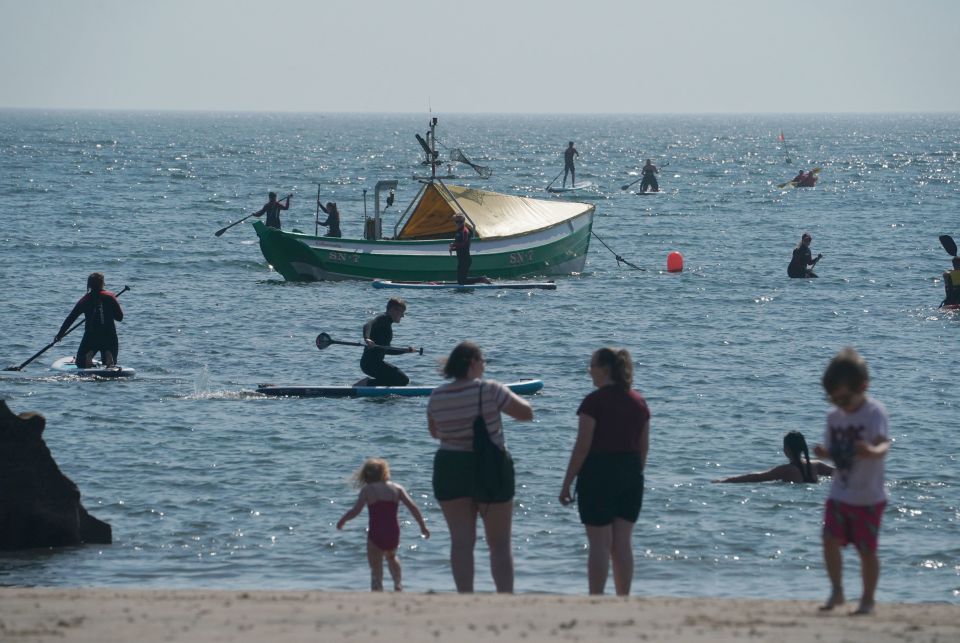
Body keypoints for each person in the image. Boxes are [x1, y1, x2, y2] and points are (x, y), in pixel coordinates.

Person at [426, 341, 534, 593]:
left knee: (461, 541)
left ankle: (465, 596)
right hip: (491, 467)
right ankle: (505, 596)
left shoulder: (437, 395)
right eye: (483, 361)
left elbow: (435, 432)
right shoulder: (490, 390)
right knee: (499, 543)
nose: (484, 367)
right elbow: (526, 413)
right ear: (473, 363)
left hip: (450, 466)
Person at [559, 348, 650, 596]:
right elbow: (643, 448)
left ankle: (596, 598)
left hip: (598, 472)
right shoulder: (638, 402)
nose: (589, 371)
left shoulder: (594, 402)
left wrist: (567, 482)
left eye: (592, 366)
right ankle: (623, 598)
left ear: (605, 369)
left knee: (599, 543)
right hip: (631, 473)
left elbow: (582, 446)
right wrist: (634, 475)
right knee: (622, 543)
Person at [813, 347, 890, 616]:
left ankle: (867, 599)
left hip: (869, 496)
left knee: (866, 551)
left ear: (863, 386)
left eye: (844, 399)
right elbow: (837, 452)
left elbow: (883, 447)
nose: (840, 405)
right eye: (834, 400)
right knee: (828, 539)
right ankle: (837, 589)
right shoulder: (834, 417)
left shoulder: (873, 412)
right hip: (840, 492)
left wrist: (872, 451)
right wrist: (825, 453)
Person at [336, 458, 430, 592]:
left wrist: (343, 520)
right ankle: (398, 583)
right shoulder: (397, 488)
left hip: (376, 532)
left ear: (366, 475)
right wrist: (422, 526)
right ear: (385, 472)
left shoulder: (368, 490)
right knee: (392, 557)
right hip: (393, 532)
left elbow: (356, 510)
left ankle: (377, 585)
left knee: (375, 563)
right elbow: (413, 507)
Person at [55, 272, 124, 368]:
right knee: (109, 363)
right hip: (109, 335)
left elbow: (71, 318)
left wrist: (60, 334)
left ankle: (89, 354)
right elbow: (120, 317)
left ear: (89, 285)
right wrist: (107, 312)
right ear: (102, 283)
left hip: (92, 336)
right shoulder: (110, 297)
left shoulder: (84, 300)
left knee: (80, 363)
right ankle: (108, 355)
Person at [712, 431, 834, 483]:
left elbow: (756, 477)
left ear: (786, 450)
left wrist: (725, 481)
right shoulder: (817, 465)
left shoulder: (786, 470)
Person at [357, 298, 416, 387]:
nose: (403, 316)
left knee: (401, 380)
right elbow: (368, 325)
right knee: (402, 380)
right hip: (370, 364)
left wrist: (405, 350)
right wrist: (367, 339)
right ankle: (365, 384)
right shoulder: (383, 318)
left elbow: (387, 350)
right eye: (402, 312)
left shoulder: (387, 325)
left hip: (373, 364)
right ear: (392, 310)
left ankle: (368, 385)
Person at [448, 213, 492, 285]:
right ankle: (481, 279)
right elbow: (460, 246)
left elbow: (465, 244)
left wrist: (454, 244)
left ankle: (481, 279)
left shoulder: (465, 231)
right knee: (461, 281)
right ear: (455, 222)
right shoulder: (458, 232)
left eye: (461, 222)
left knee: (462, 281)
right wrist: (453, 248)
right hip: (461, 258)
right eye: (457, 222)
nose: (459, 223)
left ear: (464, 221)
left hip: (465, 259)